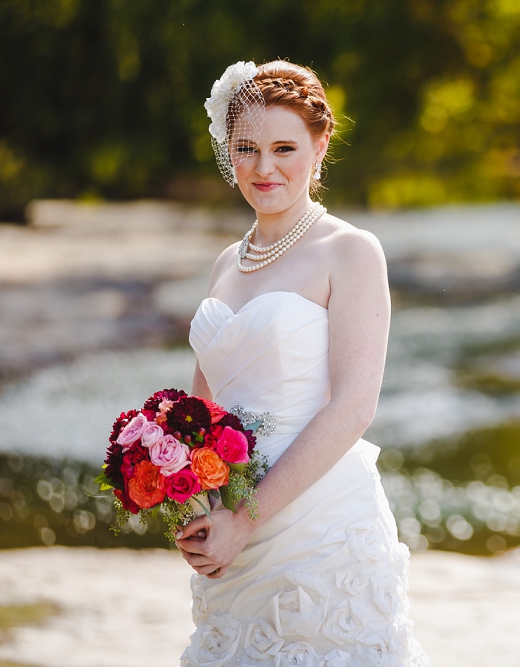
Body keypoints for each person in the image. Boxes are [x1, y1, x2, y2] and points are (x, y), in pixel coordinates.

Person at [174, 60, 428, 667]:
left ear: (320, 145)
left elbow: (354, 407)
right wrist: (198, 502)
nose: (265, 168)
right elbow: (201, 411)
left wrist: (244, 516)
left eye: (284, 147)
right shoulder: (225, 266)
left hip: (319, 526)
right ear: (228, 152)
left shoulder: (350, 252)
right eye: (247, 149)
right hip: (231, 542)